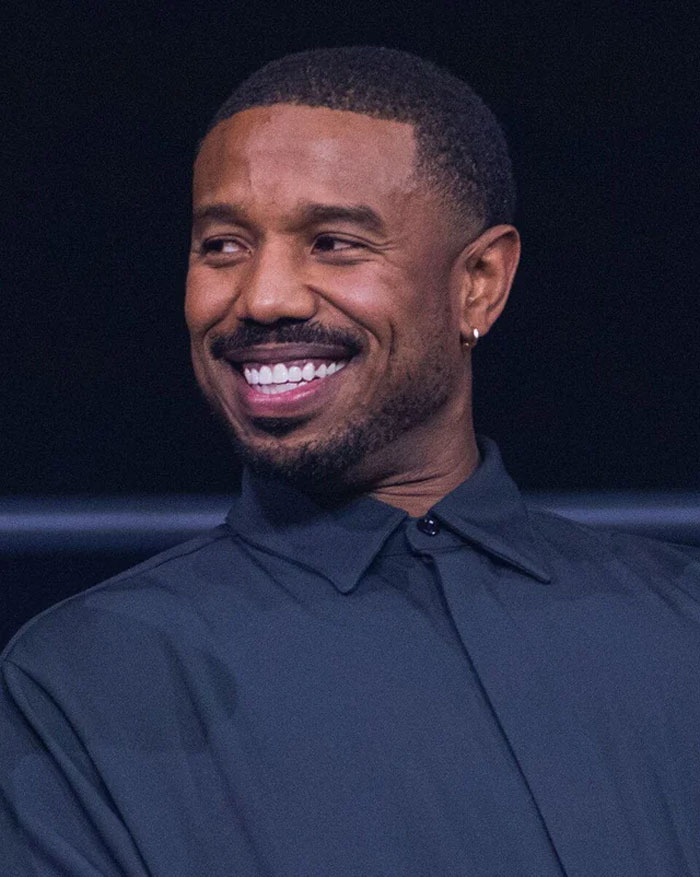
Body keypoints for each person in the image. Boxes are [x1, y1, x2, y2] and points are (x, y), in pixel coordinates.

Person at [2, 46, 699, 877]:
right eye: (222, 245)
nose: (264, 298)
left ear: (479, 281)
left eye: (332, 243)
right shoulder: (81, 685)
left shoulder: (680, 626)